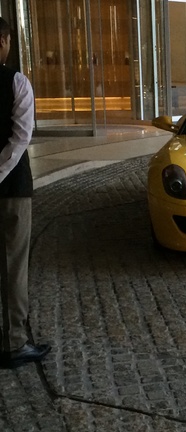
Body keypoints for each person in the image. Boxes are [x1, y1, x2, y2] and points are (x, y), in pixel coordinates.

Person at [0, 17, 50, 368]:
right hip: (12, 190)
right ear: (3, 41)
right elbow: (20, 137)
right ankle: (14, 343)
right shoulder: (16, 82)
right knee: (13, 265)